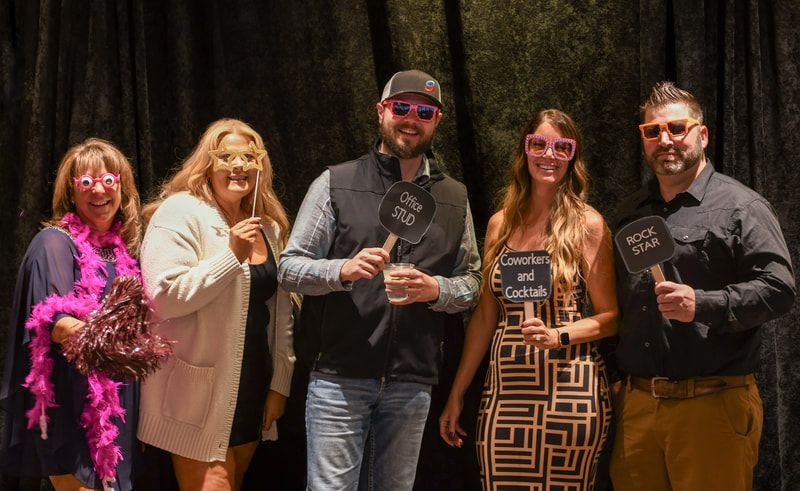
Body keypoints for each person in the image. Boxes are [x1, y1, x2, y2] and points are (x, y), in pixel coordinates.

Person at [278, 69, 481, 490]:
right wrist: (341, 270)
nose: (411, 118)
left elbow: (473, 281)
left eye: (424, 111)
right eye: (401, 107)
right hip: (339, 379)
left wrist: (437, 290)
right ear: (381, 111)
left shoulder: (455, 197)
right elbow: (290, 268)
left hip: (412, 383)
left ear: (437, 120)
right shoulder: (336, 181)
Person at [609, 81, 796, 490]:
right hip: (637, 409)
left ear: (702, 134)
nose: (666, 140)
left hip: (711, 405)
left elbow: (779, 288)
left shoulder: (741, 206)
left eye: (677, 128)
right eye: (653, 131)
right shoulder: (630, 213)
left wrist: (703, 303)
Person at [439, 109, 618, 489]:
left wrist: (558, 336)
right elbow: (485, 318)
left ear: (573, 157)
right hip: (506, 394)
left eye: (561, 147)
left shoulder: (589, 224)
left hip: (570, 389)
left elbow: (611, 317)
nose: (548, 155)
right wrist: (457, 393)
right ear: (525, 150)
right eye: (539, 143)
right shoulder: (499, 224)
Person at [137, 119, 296, 490]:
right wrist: (231, 256)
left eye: (247, 157)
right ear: (208, 163)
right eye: (226, 157)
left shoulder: (268, 227)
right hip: (197, 396)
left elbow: (282, 310)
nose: (237, 166)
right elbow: (162, 299)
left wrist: (279, 384)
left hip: (252, 387)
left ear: (260, 164)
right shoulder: (180, 213)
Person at [0, 138, 144, 490]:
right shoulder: (53, 243)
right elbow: (58, 323)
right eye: (87, 182)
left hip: (118, 402)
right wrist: (120, 344)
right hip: (70, 402)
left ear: (122, 187)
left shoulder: (123, 252)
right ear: (71, 190)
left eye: (108, 180)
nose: (99, 191)